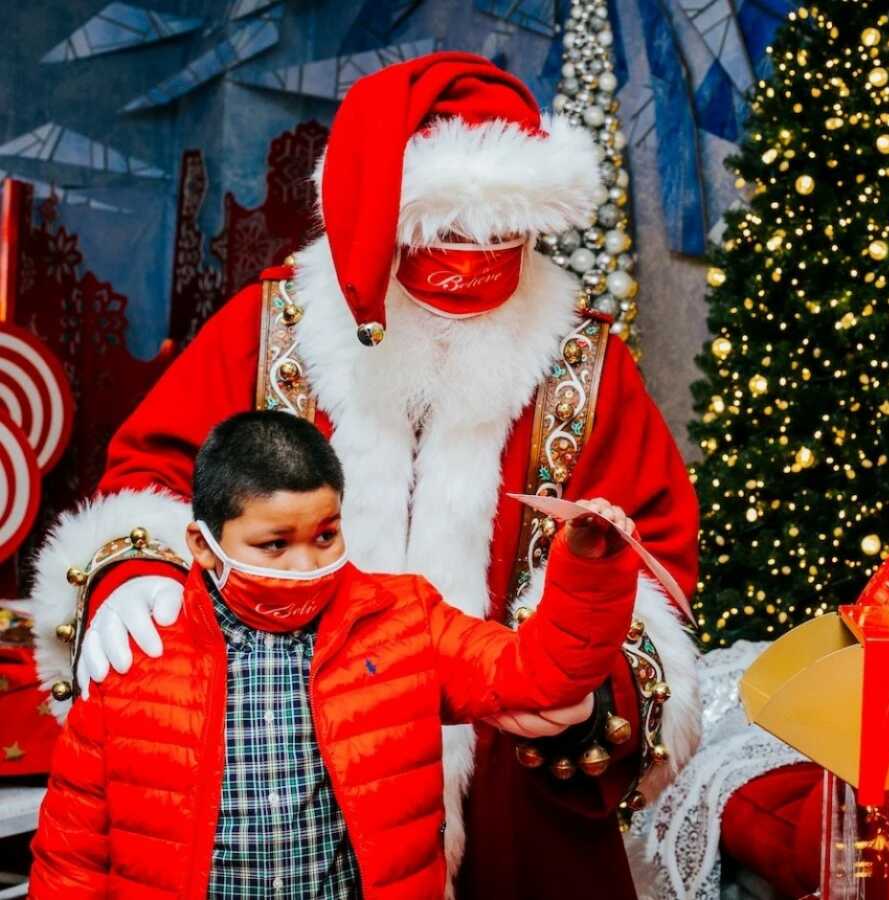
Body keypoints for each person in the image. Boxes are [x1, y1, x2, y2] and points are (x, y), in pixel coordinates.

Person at [30, 52, 700, 899]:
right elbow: (151, 476)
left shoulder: (585, 366)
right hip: (282, 789)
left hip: (512, 800)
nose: (471, 262)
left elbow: (649, 559)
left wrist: (588, 689)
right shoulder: (276, 328)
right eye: (441, 236)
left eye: (499, 236)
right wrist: (133, 566)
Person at [31, 411, 640, 899]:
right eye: (274, 545)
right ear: (205, 545)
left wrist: (589, 569)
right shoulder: (138, 649)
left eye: (326, 536)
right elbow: (72, 855)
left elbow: (541, 679)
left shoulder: (404, 620)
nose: (307, 565)